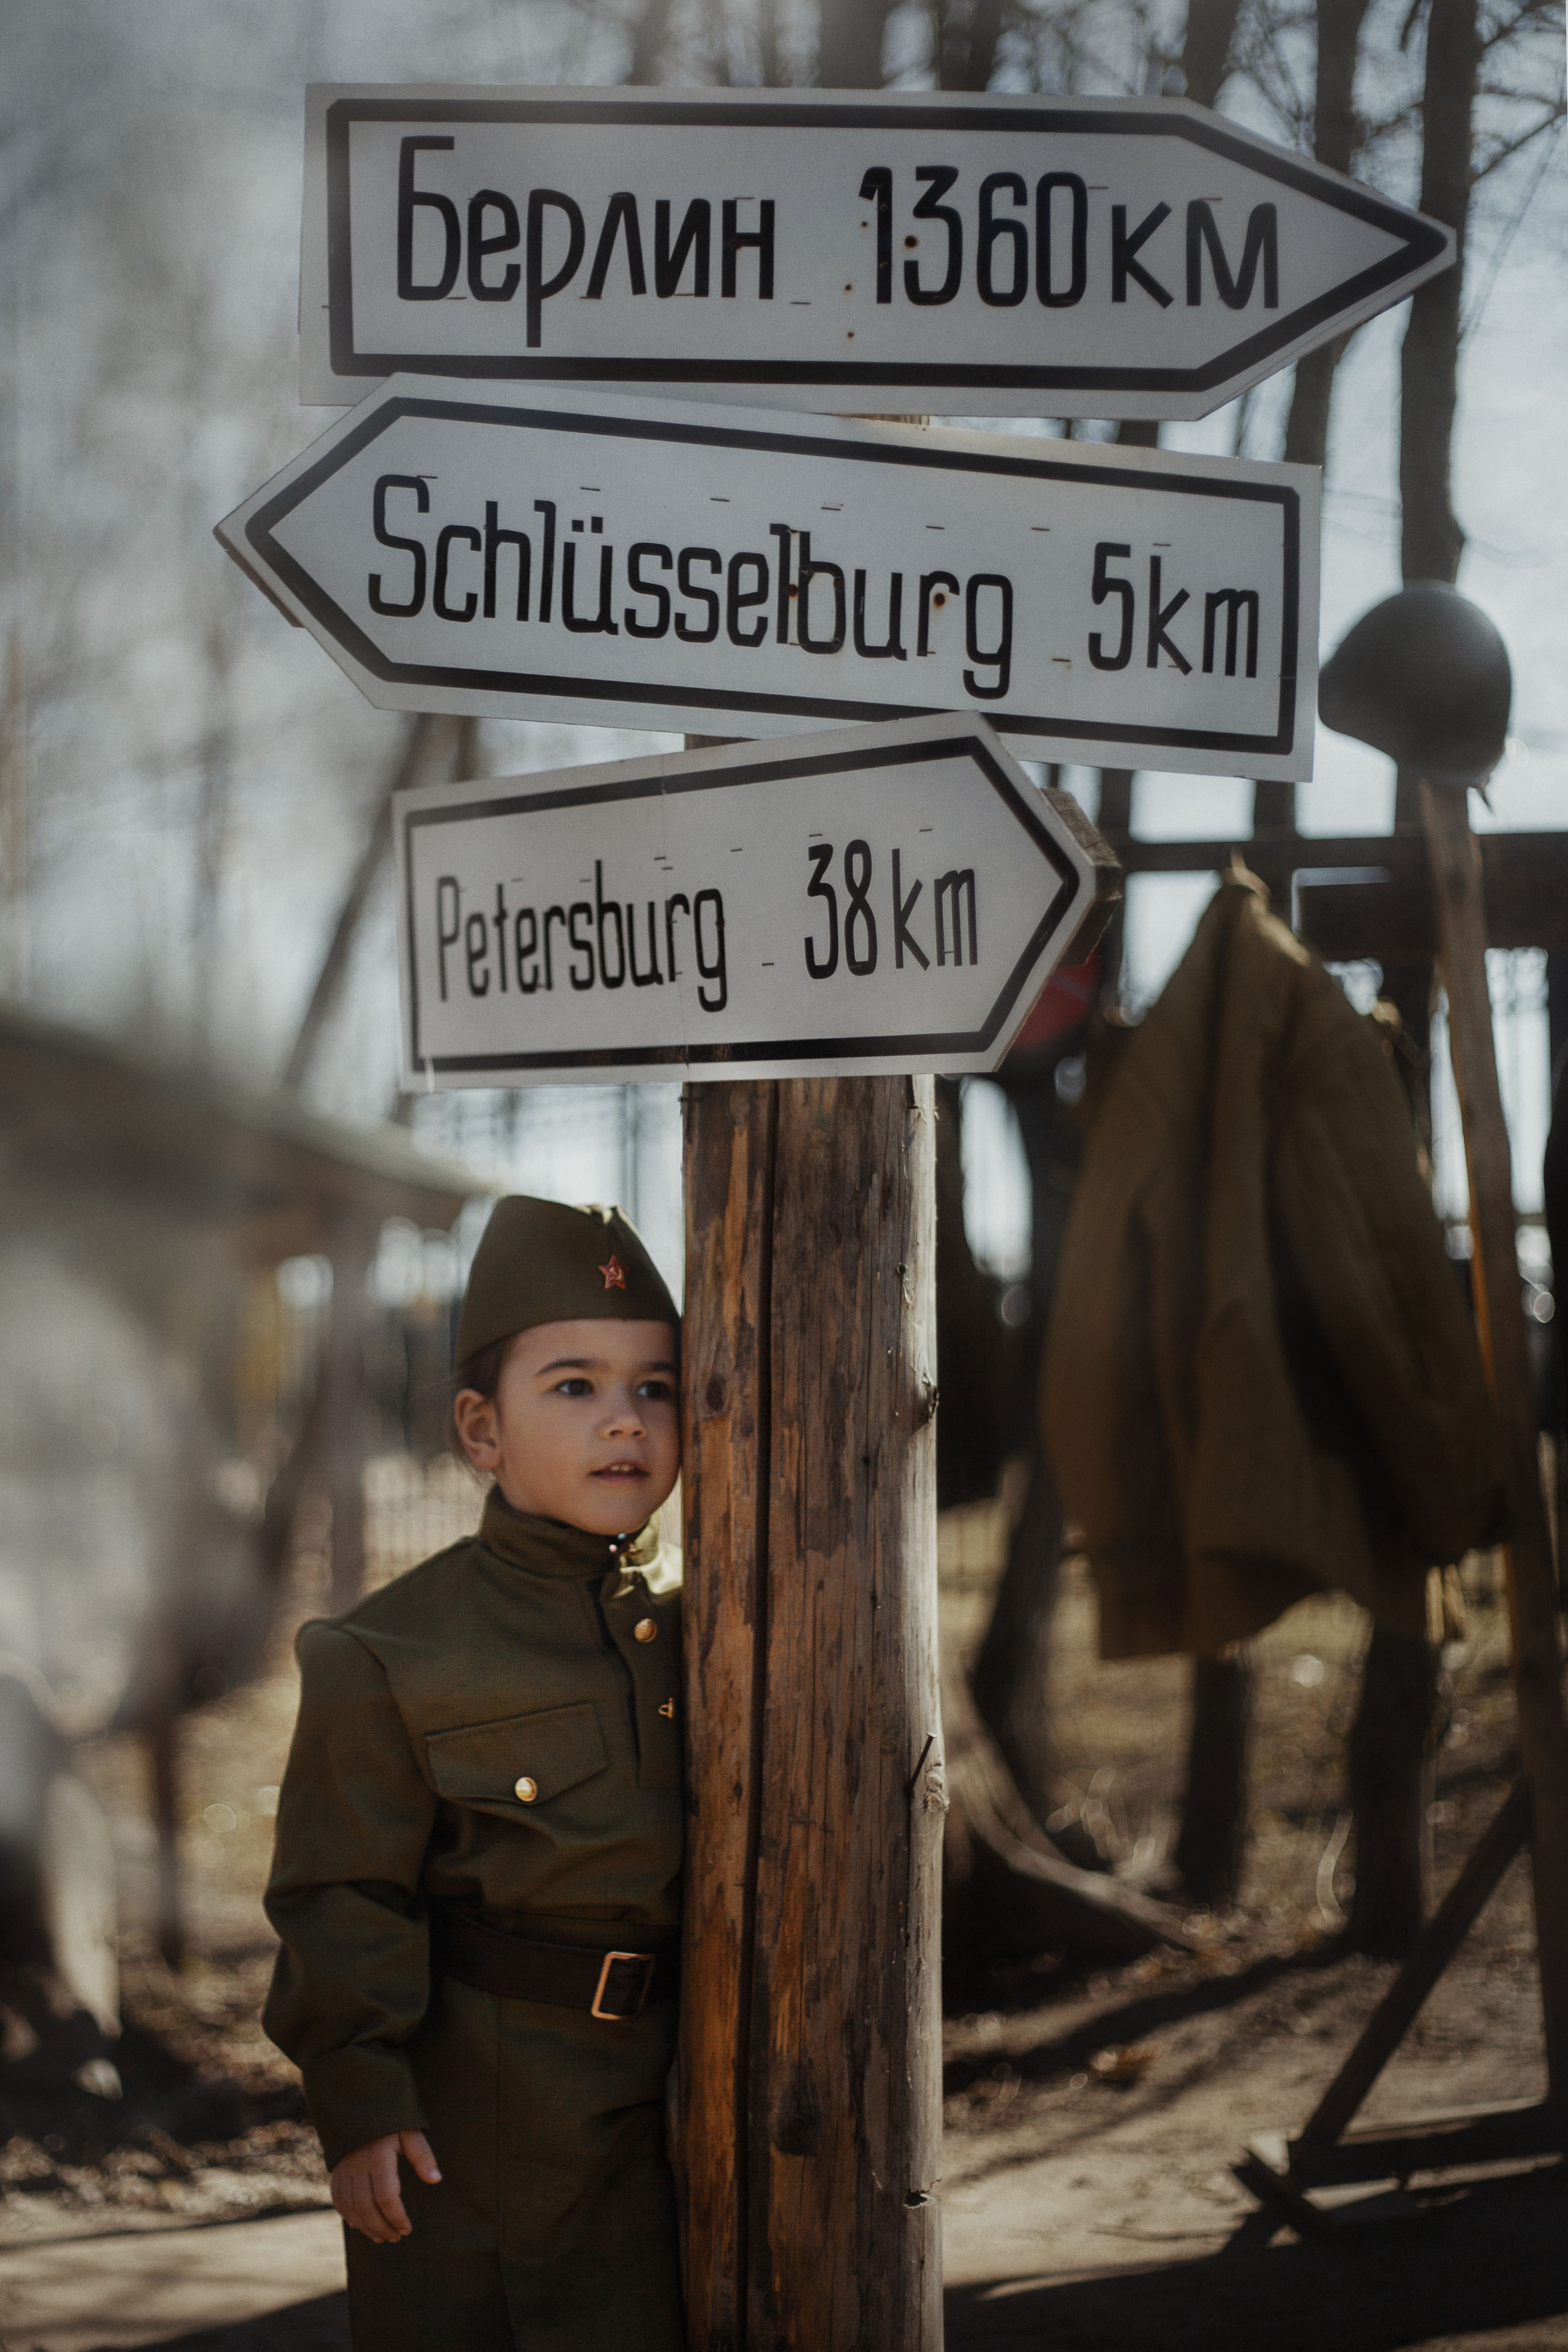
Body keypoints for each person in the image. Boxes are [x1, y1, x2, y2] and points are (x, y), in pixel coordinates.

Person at [263, 1196, 685, 2351]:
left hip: (700, 2095)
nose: (625, 1422)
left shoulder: (732, 1622)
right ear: (479, 1430)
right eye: (574, 1386)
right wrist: (360, 2106)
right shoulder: (390, 1654)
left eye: (656, 1386)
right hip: (489, 2128)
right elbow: (340, 1896)